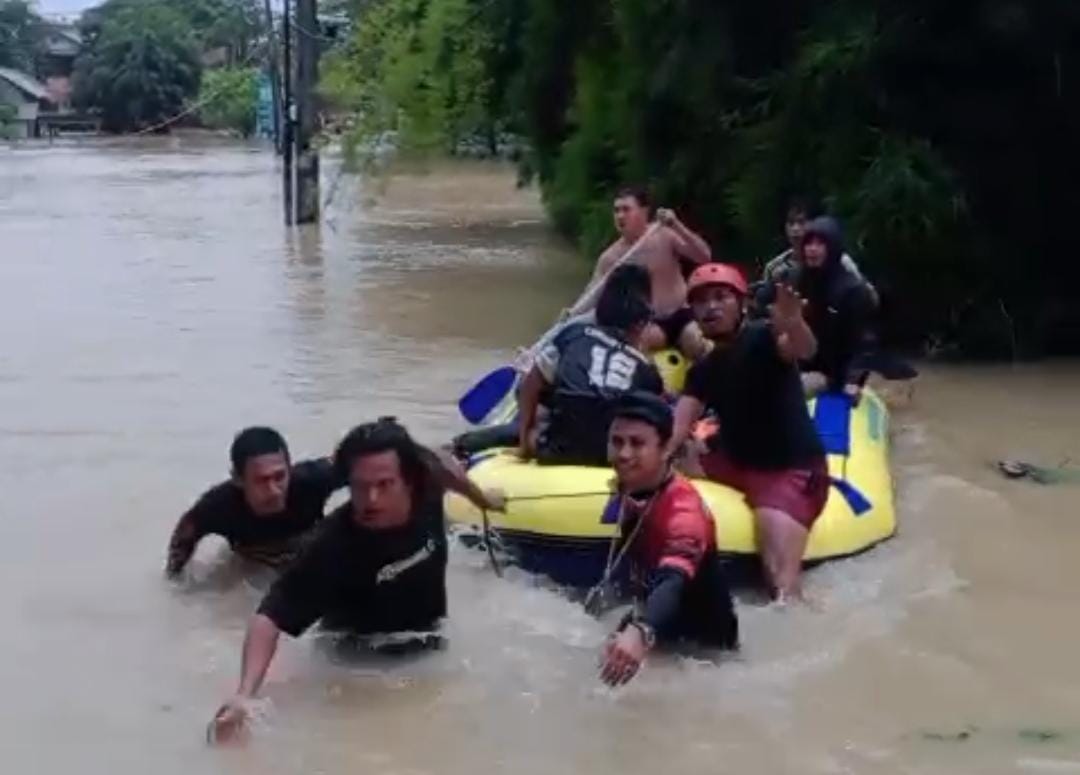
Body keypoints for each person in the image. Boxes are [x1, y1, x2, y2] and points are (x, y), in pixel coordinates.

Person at [209, 418, 504, 742]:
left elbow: (442, 464)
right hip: (360, 665)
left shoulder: (427, 484)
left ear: (409, 480)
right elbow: (268, 618)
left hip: (431, 642)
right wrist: (244, 693)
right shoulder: (332, 545)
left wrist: (481, 499)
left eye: (384, 485)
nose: (371, 499)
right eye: (360, 487)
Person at [668, 264, 829, 602]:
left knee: (780, 583)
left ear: (740, 304)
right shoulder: (703, 370)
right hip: (736, 460)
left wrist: (794, 322)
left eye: (720, 297)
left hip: (786, 470)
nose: (710, 307)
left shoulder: (765, 336)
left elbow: (803, 349)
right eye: (700, 302)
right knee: (682, 454)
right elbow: (679, 425)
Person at [598, 392, 739, 687]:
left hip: (699, 653)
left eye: (637, 444)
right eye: (617, 442)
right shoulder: (631, 484)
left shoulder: (684, 514)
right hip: (656, 620)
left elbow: (672, 581)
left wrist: (641, 631)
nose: (623, 454)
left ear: (665, 450)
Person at [518, 264, 664, 466]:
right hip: (611, 454)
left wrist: (525, 436)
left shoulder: (573, 334)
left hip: (560, 448)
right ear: (640, 322)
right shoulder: (647, 372)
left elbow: (530, 384)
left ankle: (480, 443)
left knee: (542, 410)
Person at [165, 427, 344, 578]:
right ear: (238, 479)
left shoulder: (312, 480)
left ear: (290, 469)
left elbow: (358, 465)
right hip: (255, 564)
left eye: (280, 476)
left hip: (308, 553)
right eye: (261, 480)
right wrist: (175, 580)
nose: (274, 491)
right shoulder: (218, 506)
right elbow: (183, 538)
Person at [576, 187, 713, 358]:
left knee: (696, 342)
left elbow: (704, 256)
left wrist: (676, 225)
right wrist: (571, 314)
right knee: (633, 345)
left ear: (644, 211)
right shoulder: (611, 257)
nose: (620, 216)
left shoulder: (664, 234)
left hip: (680, 315)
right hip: (648, 323)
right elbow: (591, 294)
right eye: (616, 210)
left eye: (626, 209)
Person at [794, 216, 878, 397]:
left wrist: (853, 380)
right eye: (808, 244)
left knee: (793, 389)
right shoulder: (798, 281)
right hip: (800, 366)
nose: (812, 249)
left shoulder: (852, 290)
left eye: (819, 244)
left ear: (832, 248)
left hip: (833, 374)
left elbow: (864, 340)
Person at [761, 199, 870, 289]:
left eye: (801, 222)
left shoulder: (840, 261)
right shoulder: (774, 267)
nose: (795, 229)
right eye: (791, 223)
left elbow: (867, 294)